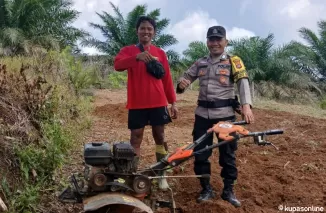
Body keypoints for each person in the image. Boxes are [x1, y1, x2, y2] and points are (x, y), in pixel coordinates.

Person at [176, 26, 254, 207]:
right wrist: (182, 84)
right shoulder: (200, 62)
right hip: (202, 116)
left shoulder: (233, 61)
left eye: (219, 39)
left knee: (228, 155)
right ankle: (206, 189)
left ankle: (228, 190)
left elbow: (243, 83)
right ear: (207, 42)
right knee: (201, 154)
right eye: (211, 39)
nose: (215, 43)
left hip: (225, 116)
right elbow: (185, 78)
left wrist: (246, 107)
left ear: (226, 42)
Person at [114, 16, 178, 190]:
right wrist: (136, 58)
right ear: (137, 31)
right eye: (142, 28)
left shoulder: (161, 53)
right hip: (137, 104)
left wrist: (172, 102)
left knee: (160, 137)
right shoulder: (128, 51)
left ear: (154, 32)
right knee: (135, 139)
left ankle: (161, 174)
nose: (146, 32)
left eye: (150, 29)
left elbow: (166, 79)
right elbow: (117, 65)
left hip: (158, 103)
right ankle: (131, 174)